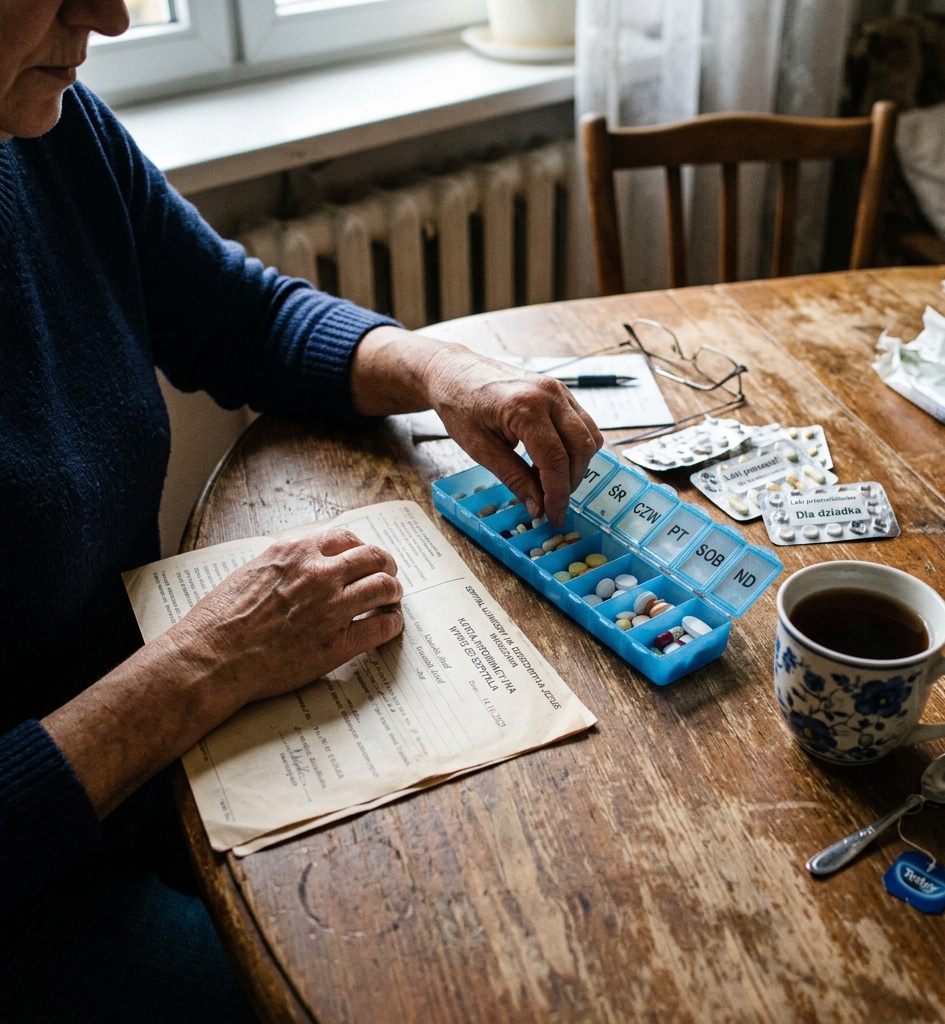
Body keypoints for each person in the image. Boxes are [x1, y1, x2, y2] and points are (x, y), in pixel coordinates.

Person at [0, 2, 602, 1020]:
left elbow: (248, 318)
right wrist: (205, 663)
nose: (105, 15)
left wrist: (442, 367)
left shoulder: (50, 132)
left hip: (158, 766)